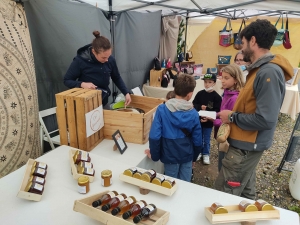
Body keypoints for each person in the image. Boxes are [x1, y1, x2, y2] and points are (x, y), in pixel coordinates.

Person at [215, 19, 294, 200]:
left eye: (243, 43)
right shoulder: (260, 70)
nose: (241, 49)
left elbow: (266, 119)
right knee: (245, 193)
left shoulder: (268, 73)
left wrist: (232, 116)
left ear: (252, 41)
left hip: (246, 147)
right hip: (244, 144)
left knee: (224, 196)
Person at [144, 74, 202, 182]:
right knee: (185, 184)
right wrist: (194, 157)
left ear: (174, 90)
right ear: (190, 95)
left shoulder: (162, 109)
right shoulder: (194, 113)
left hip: (169, 154)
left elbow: (154, 136)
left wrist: (155, 155)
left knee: (170, 183)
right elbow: (198, 141)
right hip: (187, 155)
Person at [64, 31, 131, 106]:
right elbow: (67, 80)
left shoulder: (110, 59)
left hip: (103, 100)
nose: (107, 60)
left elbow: (116, 77)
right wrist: (82, 84)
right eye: (103, 57)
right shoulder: (80, 60)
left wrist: (126, 92)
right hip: (85, 103)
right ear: (94, 52)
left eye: (108, 56)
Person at [213, 64, 245, 172]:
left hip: (226, 136)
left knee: (224, 163)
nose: (222, 80)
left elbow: (227, 121)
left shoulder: (234, 98)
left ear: (236, 79)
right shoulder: (226, 93)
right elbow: (222, 113)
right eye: (222, 77)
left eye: (226, 78)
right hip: (221, 134)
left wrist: (213, 120)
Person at [193, 74, 222, 165]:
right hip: (198, 121)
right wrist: (199, 106)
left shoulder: (217, 97)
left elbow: (217, 111)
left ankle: (206, 153)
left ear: (214, 83)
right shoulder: (200, 93)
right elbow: (194, 104)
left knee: (206, 138)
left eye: (210, 82)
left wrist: (209, 115)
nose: (207, 84)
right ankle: (199, 152)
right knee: (198, 137)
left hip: (208, 122)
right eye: (205, 82)